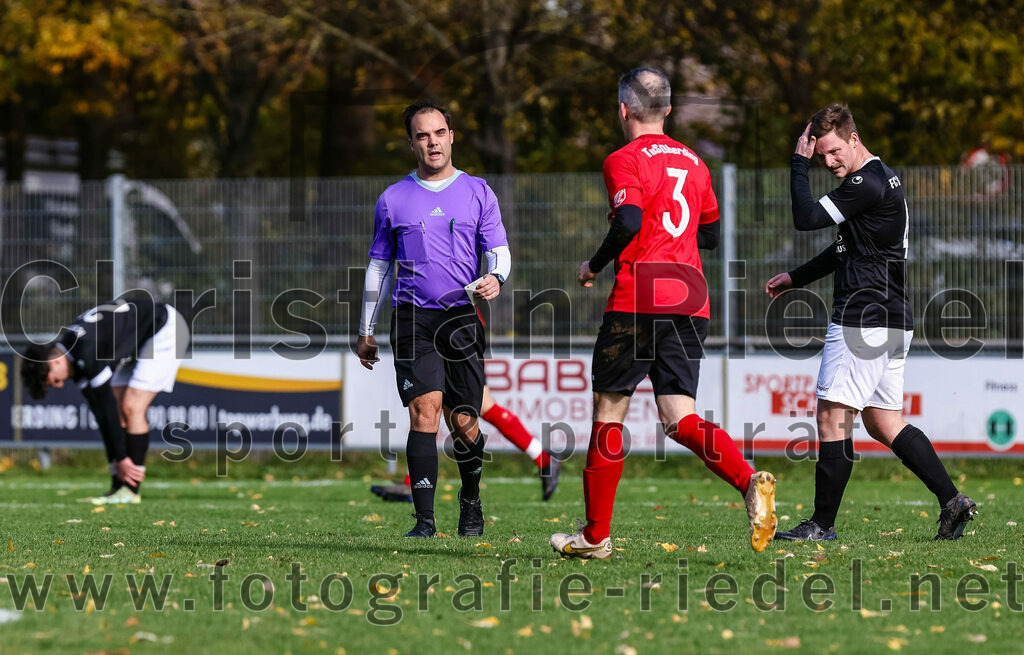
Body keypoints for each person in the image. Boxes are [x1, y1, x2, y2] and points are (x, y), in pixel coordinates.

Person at [550, 68, 777, 559]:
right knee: (679, 416)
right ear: (669, 110)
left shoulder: (623, 159)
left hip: (641, 293)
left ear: (623, 109)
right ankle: (748, 479)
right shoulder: (695, 163)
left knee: (609, 410)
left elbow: (629, 218)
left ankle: (594, 536)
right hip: (691, 295)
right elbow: (711, 235)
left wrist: (594, 263)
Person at [765, 103, 977, 541]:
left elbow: (805, 219)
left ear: (854, 139)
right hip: (891, 316)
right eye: (820, 155)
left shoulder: (865, 183)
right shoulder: (879, 178)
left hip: (863, 317)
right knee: (883, 421)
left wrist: (797, 163)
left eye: (833, 151)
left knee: (831, 416)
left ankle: (821, 525)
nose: (828, 162)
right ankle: (953, 502)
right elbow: (845, 249)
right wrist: (795, 278)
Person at [357, 101, 511, 538]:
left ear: (451, 136)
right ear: (412, 143)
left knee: (463, 421)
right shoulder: (392, 199)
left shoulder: (479, 191)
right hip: (412, 320)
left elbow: (499, 252)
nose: (432, 142)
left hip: (462, 317)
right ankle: (423, 522)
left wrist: (496, 277)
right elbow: (378, 268)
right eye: (423, 135)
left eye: (439, 132)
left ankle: (471, 501)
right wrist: (365, 329)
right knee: (424, 413)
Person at [20, 296, 189, 504]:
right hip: (140, 337)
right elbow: (101, 413)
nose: (60, 385)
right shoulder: (73, 351)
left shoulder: (86, 349)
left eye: (54, 380)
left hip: (164, 327)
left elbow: (105, 404)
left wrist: (122, 458)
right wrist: (116, 463)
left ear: (54, 362)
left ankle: (131, 489)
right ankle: (118, 486)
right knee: (116, 410)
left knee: (131, 406)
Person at [370, 385, 562, 502]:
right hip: (453, 340)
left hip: (461, 341)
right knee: (437, 407)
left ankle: (545, 460)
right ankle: (544, 460)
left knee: (475, 407)